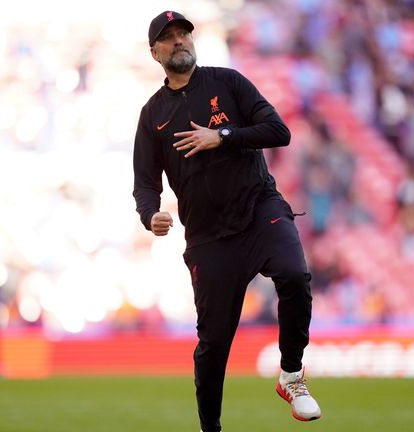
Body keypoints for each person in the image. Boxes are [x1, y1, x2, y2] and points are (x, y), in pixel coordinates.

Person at [133, 11, 322, 432]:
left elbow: (278, 130)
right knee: (214, 344)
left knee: (294, 274)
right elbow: (145, 184)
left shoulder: (228, 83)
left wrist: (222, 136)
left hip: (260, 210)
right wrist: (152, 215)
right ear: (155, 53)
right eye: (169, 38)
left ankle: (291, 375)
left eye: (184, 33)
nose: (180, 41)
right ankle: (210, 429)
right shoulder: (152, 116)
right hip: (208, 237)